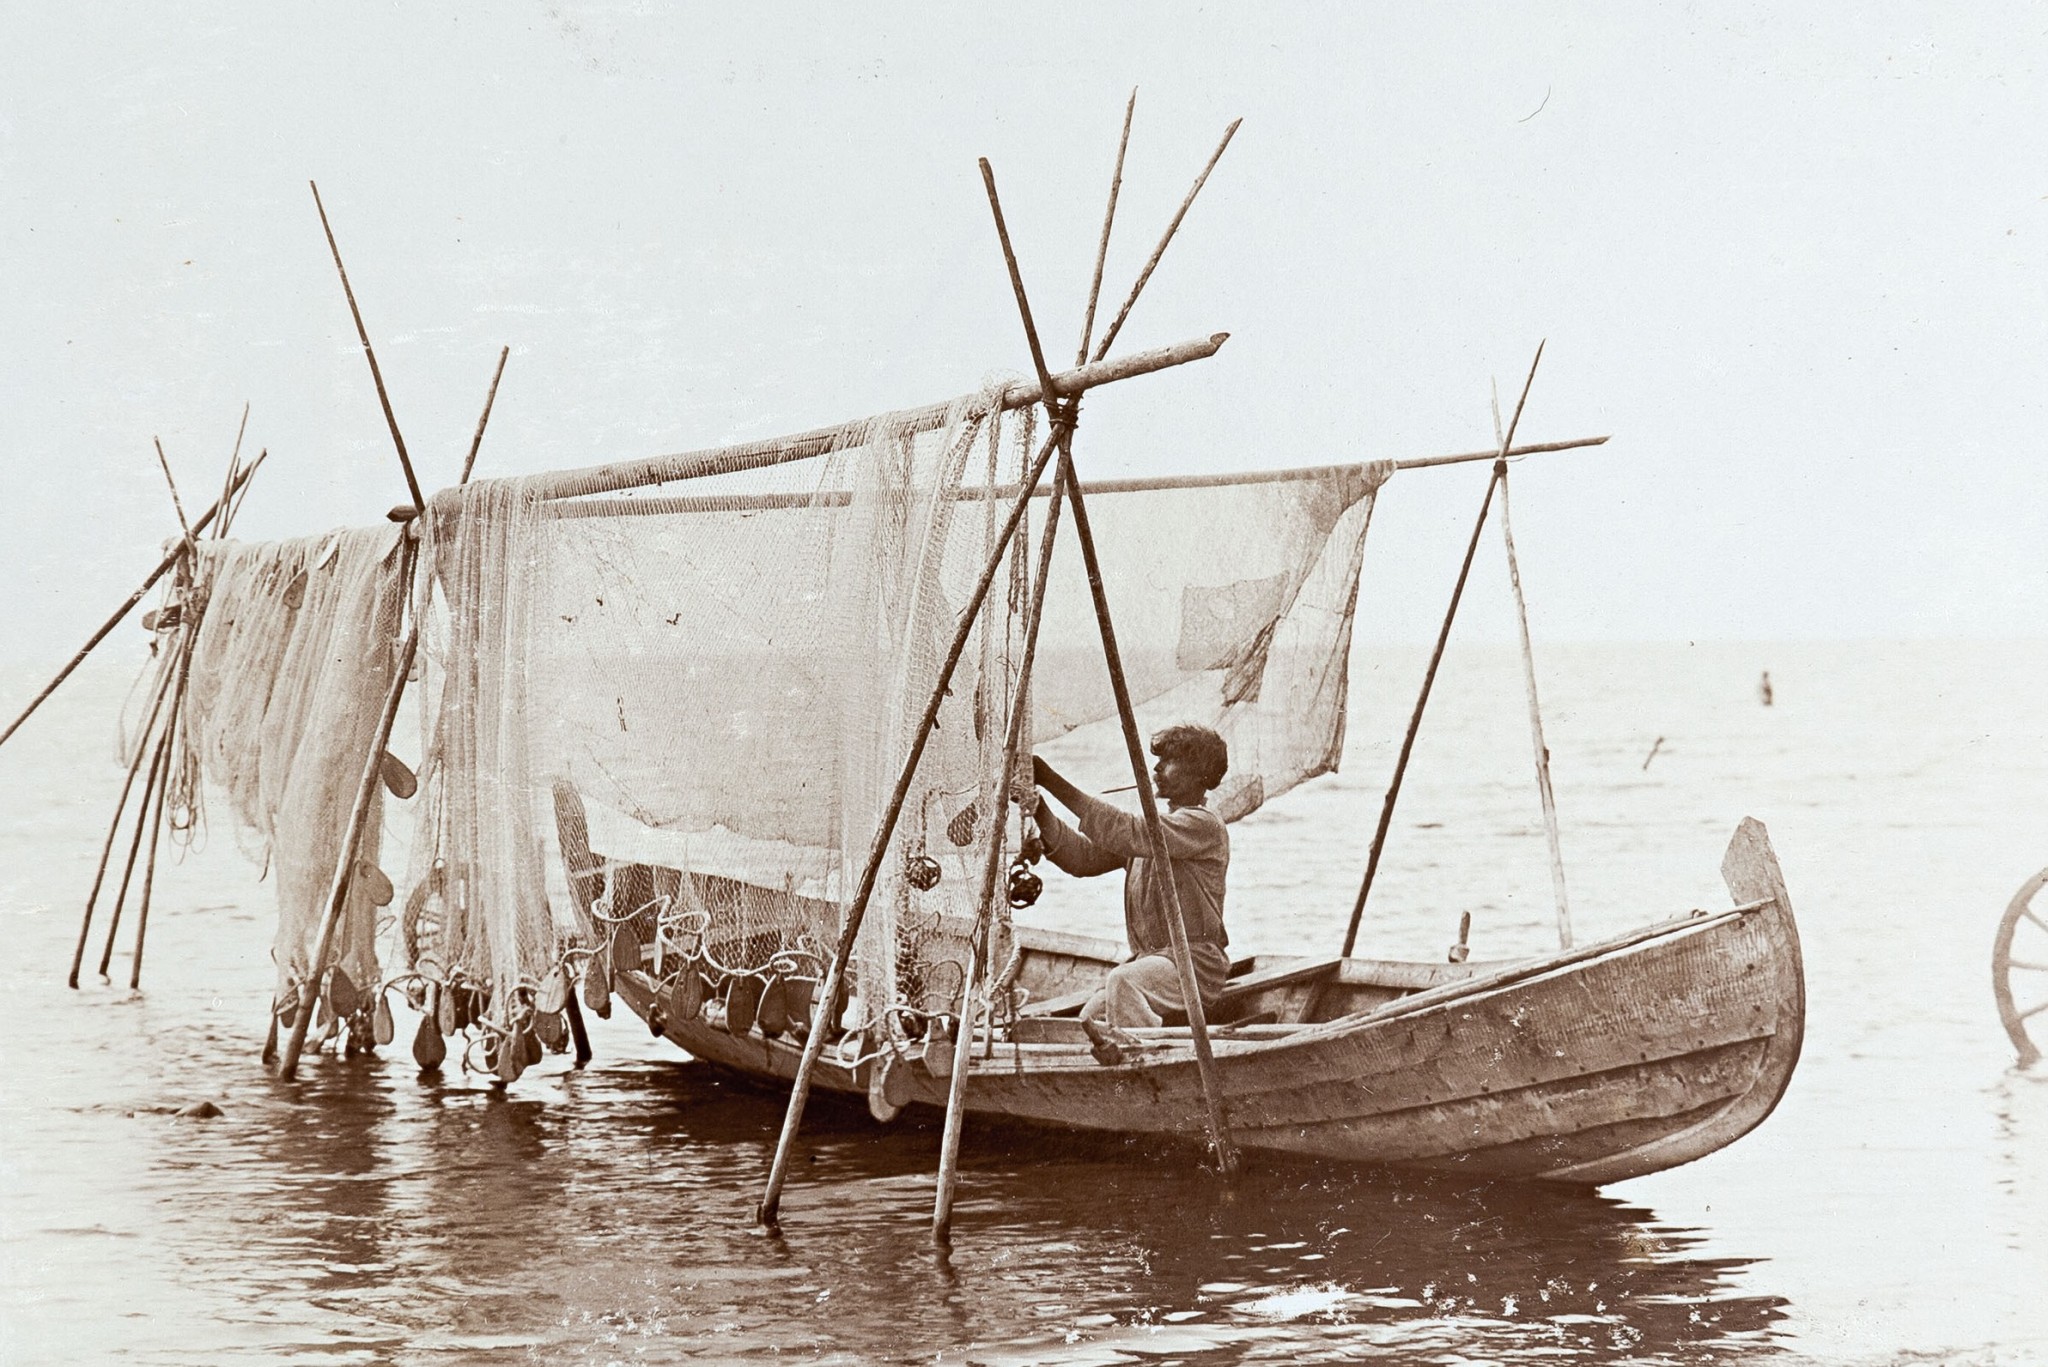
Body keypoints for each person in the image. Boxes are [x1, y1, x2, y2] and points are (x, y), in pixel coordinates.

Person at [1015, 724, 1231, 1028]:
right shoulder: (1153, 834)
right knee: (1090, 1019)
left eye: (1169, 761)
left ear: (1199, 775)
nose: (1156, 768)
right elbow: (1083, 859)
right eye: (1158, 760)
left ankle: (1144, 1053)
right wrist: (1038, 807)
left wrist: (1049, 778)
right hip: (1151, 963)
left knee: (1123, 981)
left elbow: (1127, 830)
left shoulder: (1202, 825)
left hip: (1194, 965)